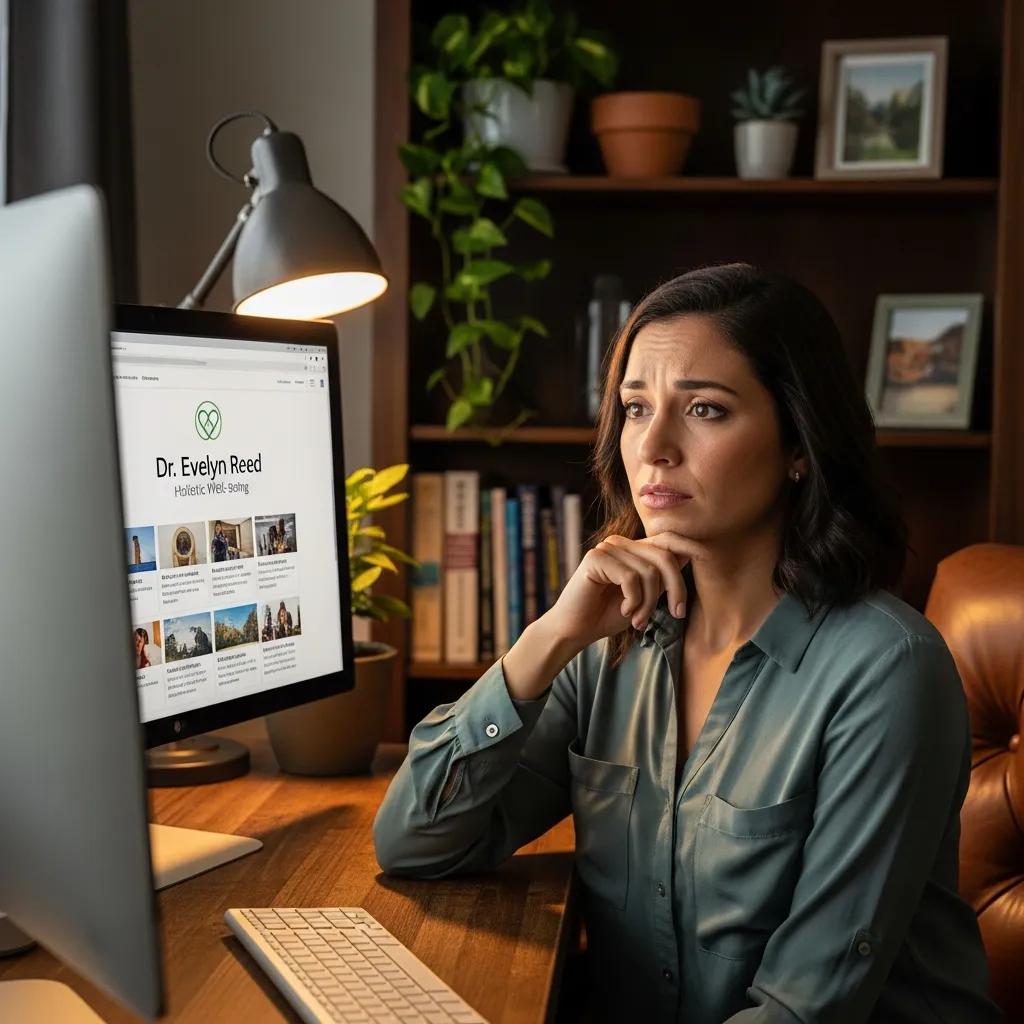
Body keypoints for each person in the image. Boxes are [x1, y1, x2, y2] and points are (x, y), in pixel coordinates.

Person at [373, 265, 1001, 1023]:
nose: (654, 448)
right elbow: (415, 842)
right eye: (636, 409)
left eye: (704, 408)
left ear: (800, 442)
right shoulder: (610, 642)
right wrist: (549, 637)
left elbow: (802, 1011)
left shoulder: (887, 670)